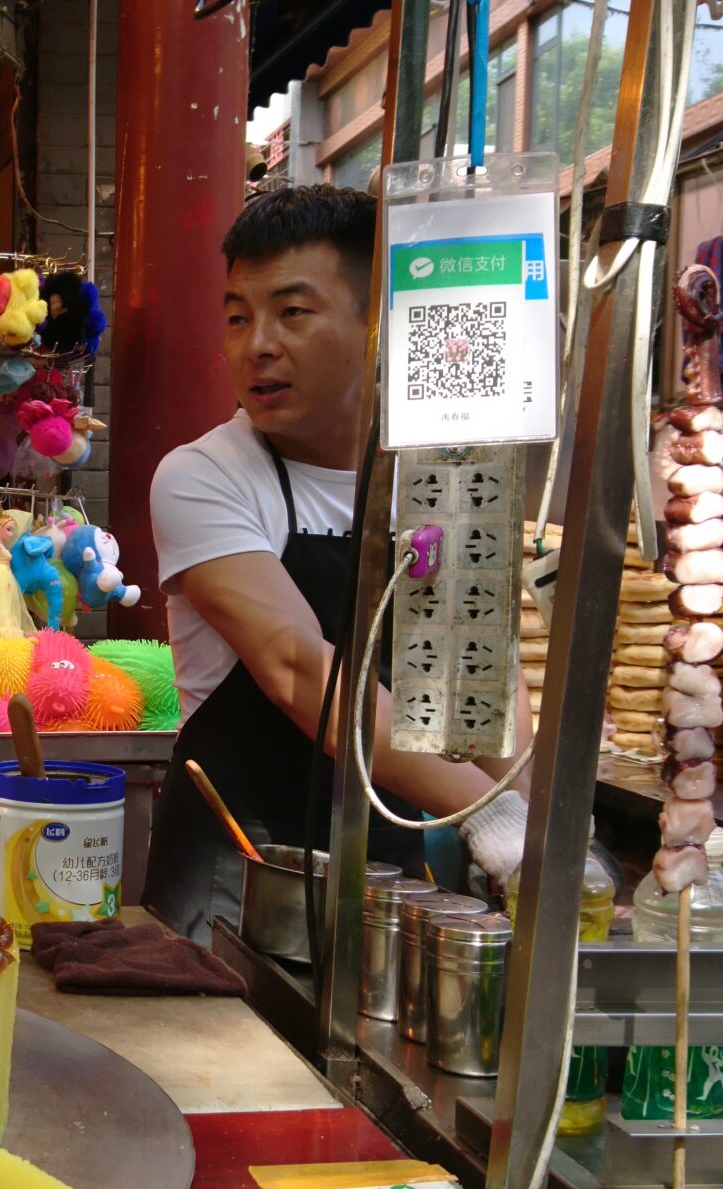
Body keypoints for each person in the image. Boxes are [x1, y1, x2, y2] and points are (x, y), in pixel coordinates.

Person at [141, 185, 529, 942]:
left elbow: (472, 695)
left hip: (389, 879)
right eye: (236, 317)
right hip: (233, 877)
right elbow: (299, 671)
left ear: (374, 323)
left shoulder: (444, 476)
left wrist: (546, 829)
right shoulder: (204, 475)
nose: (257, 344)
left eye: (292, 312)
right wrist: (493, 812)